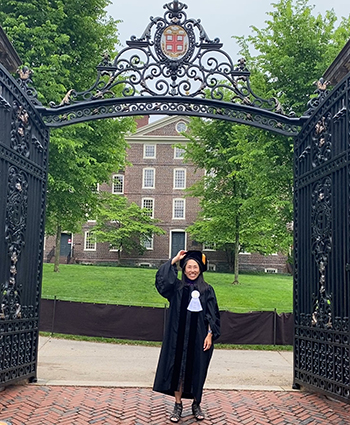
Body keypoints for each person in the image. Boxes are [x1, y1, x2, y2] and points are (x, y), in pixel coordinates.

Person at [153, 250, 220, 422]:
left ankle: (196, 404)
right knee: (178, 371)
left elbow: (212, 315)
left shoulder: (207, 290)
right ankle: (177, 405)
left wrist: (210, 335)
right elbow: (163, 280)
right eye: (189, 267)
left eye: (195, 267)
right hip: (177, 338)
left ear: (200, 269)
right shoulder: (176, 288)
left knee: (197, 370)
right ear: (184, 269)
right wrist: (175, 259)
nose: (192, 270)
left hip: (199, 339)